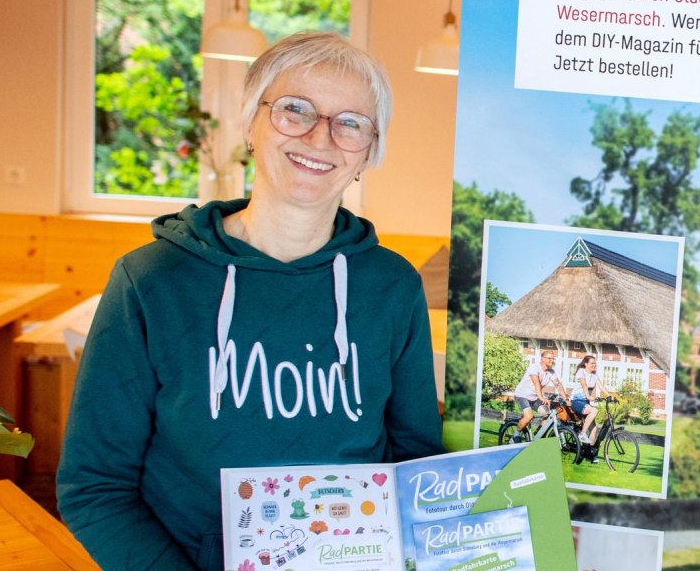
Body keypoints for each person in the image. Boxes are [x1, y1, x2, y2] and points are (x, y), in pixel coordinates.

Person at [57, 32, 444, 570]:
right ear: (250, 125)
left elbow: (416, 464)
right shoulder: (151, 281)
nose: (319, 137)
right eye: (294, 109)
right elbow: (95, 489)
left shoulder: (392, 286)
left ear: (368, 153)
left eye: (349, 121)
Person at [512, 349, 558, 434]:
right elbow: (536, 383)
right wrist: (541, 397)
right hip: (522, 395)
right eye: (549, 358)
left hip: (534, 397)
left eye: (553, 359)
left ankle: (537, 434)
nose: (552, 360)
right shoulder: (534, 367)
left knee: (547, 415)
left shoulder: (551, 372)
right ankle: (516, 435)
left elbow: (558, 384)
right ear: (542, 359)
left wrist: (566, 398)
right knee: (529, 416)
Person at [571, 355, 604, 444]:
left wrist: (610, 396)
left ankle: (590, 454)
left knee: (593, 428)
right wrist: (588, 396)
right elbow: (584, 384)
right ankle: (582, 434)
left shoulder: (594, 375)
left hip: (585, 403)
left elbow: (601, 387)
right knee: (594, 411)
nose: (594, 365)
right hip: (577, 401)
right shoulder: (581, 371)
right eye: (592, 363)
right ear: (586, 364)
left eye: (595, 363)